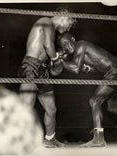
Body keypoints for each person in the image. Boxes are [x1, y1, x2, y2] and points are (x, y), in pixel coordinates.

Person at [57, 32, 117, 147]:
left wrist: (60, 60)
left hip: (114, 72)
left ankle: (99, 138)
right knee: (112, 107)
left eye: (67, 43)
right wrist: (85, 68)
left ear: (73, 39)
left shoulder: (80, 45)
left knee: (94, 101)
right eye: (63, 46)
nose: (67, 47)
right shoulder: (83, 50)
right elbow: (96, 68)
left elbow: (75, 68)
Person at [18, 10, 77, 148]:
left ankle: (50, 139)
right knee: (26, 107)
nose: (68, 29)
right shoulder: (46, 21)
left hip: (42, 69)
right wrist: (56, 59)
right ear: (65, 16)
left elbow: (48, 52)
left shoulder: (51, 29)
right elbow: (48, 47)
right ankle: (16, 140)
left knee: (51, 109)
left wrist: (54, 60)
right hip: (31, 66)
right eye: (70, 24)